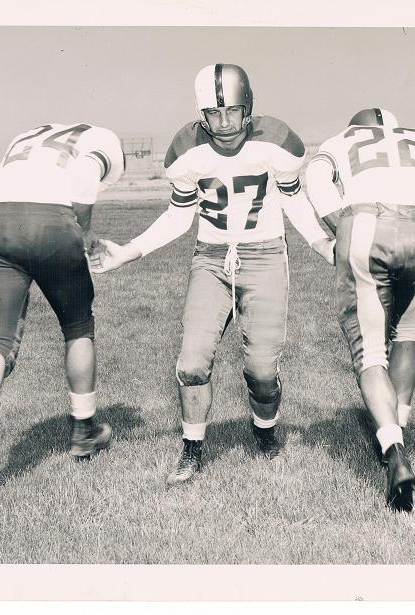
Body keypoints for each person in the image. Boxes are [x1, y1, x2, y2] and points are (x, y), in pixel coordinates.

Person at [90, 64, 335, 486]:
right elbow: (178, 214)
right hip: (211, 257)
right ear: (201, 114)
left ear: (248, 108)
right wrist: (128, 252)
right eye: (214, 113)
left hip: (265, 254)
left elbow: (294, 200)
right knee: (191, 363)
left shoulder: (276, 141)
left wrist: (322, 243)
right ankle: (192, 448)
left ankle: (265, 432)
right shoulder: (187, 150)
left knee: (261, 371)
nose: (223, 123)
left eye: (232, 111)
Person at [305, 108, 415, 512]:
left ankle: (393, 448)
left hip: (368, 223)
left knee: (370, 350)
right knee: (409, 328)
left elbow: (315, 177)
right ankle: (398, 425)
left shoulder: (343, 140)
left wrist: (339, 224)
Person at [0, 122, 125, 506]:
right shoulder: (103, 140)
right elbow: (85, 178)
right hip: (53, 224)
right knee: (78, 327)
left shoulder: (24, 137)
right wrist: (84, 233)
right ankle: (84, 430)